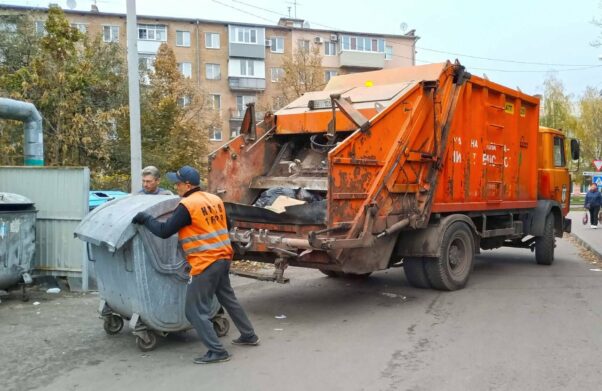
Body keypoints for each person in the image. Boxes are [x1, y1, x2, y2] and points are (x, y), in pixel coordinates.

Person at [131, 165, 259, 364]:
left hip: (205, 262)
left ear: (187, 184)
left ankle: (217, 351)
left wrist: (146, 219)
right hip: (223, 258)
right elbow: (227, 225)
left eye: (178, 183)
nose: (176, 186)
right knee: (227, 298)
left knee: (193, 310)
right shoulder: (215, 199)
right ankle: (249, 335)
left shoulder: (188, 205)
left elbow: (164, 231)